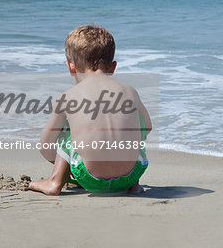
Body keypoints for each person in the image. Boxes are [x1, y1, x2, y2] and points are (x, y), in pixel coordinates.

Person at [29, 25, 151, 195]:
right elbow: (148, 127)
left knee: (68, 133)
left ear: (70, 67)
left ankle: (54, 181)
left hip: (88, 177)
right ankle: (134, 186)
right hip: (131, 175)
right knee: (136, 126)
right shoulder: (129, 91)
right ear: (113, 66)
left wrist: (70, 169)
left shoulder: (67, 97)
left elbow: (45, 146)